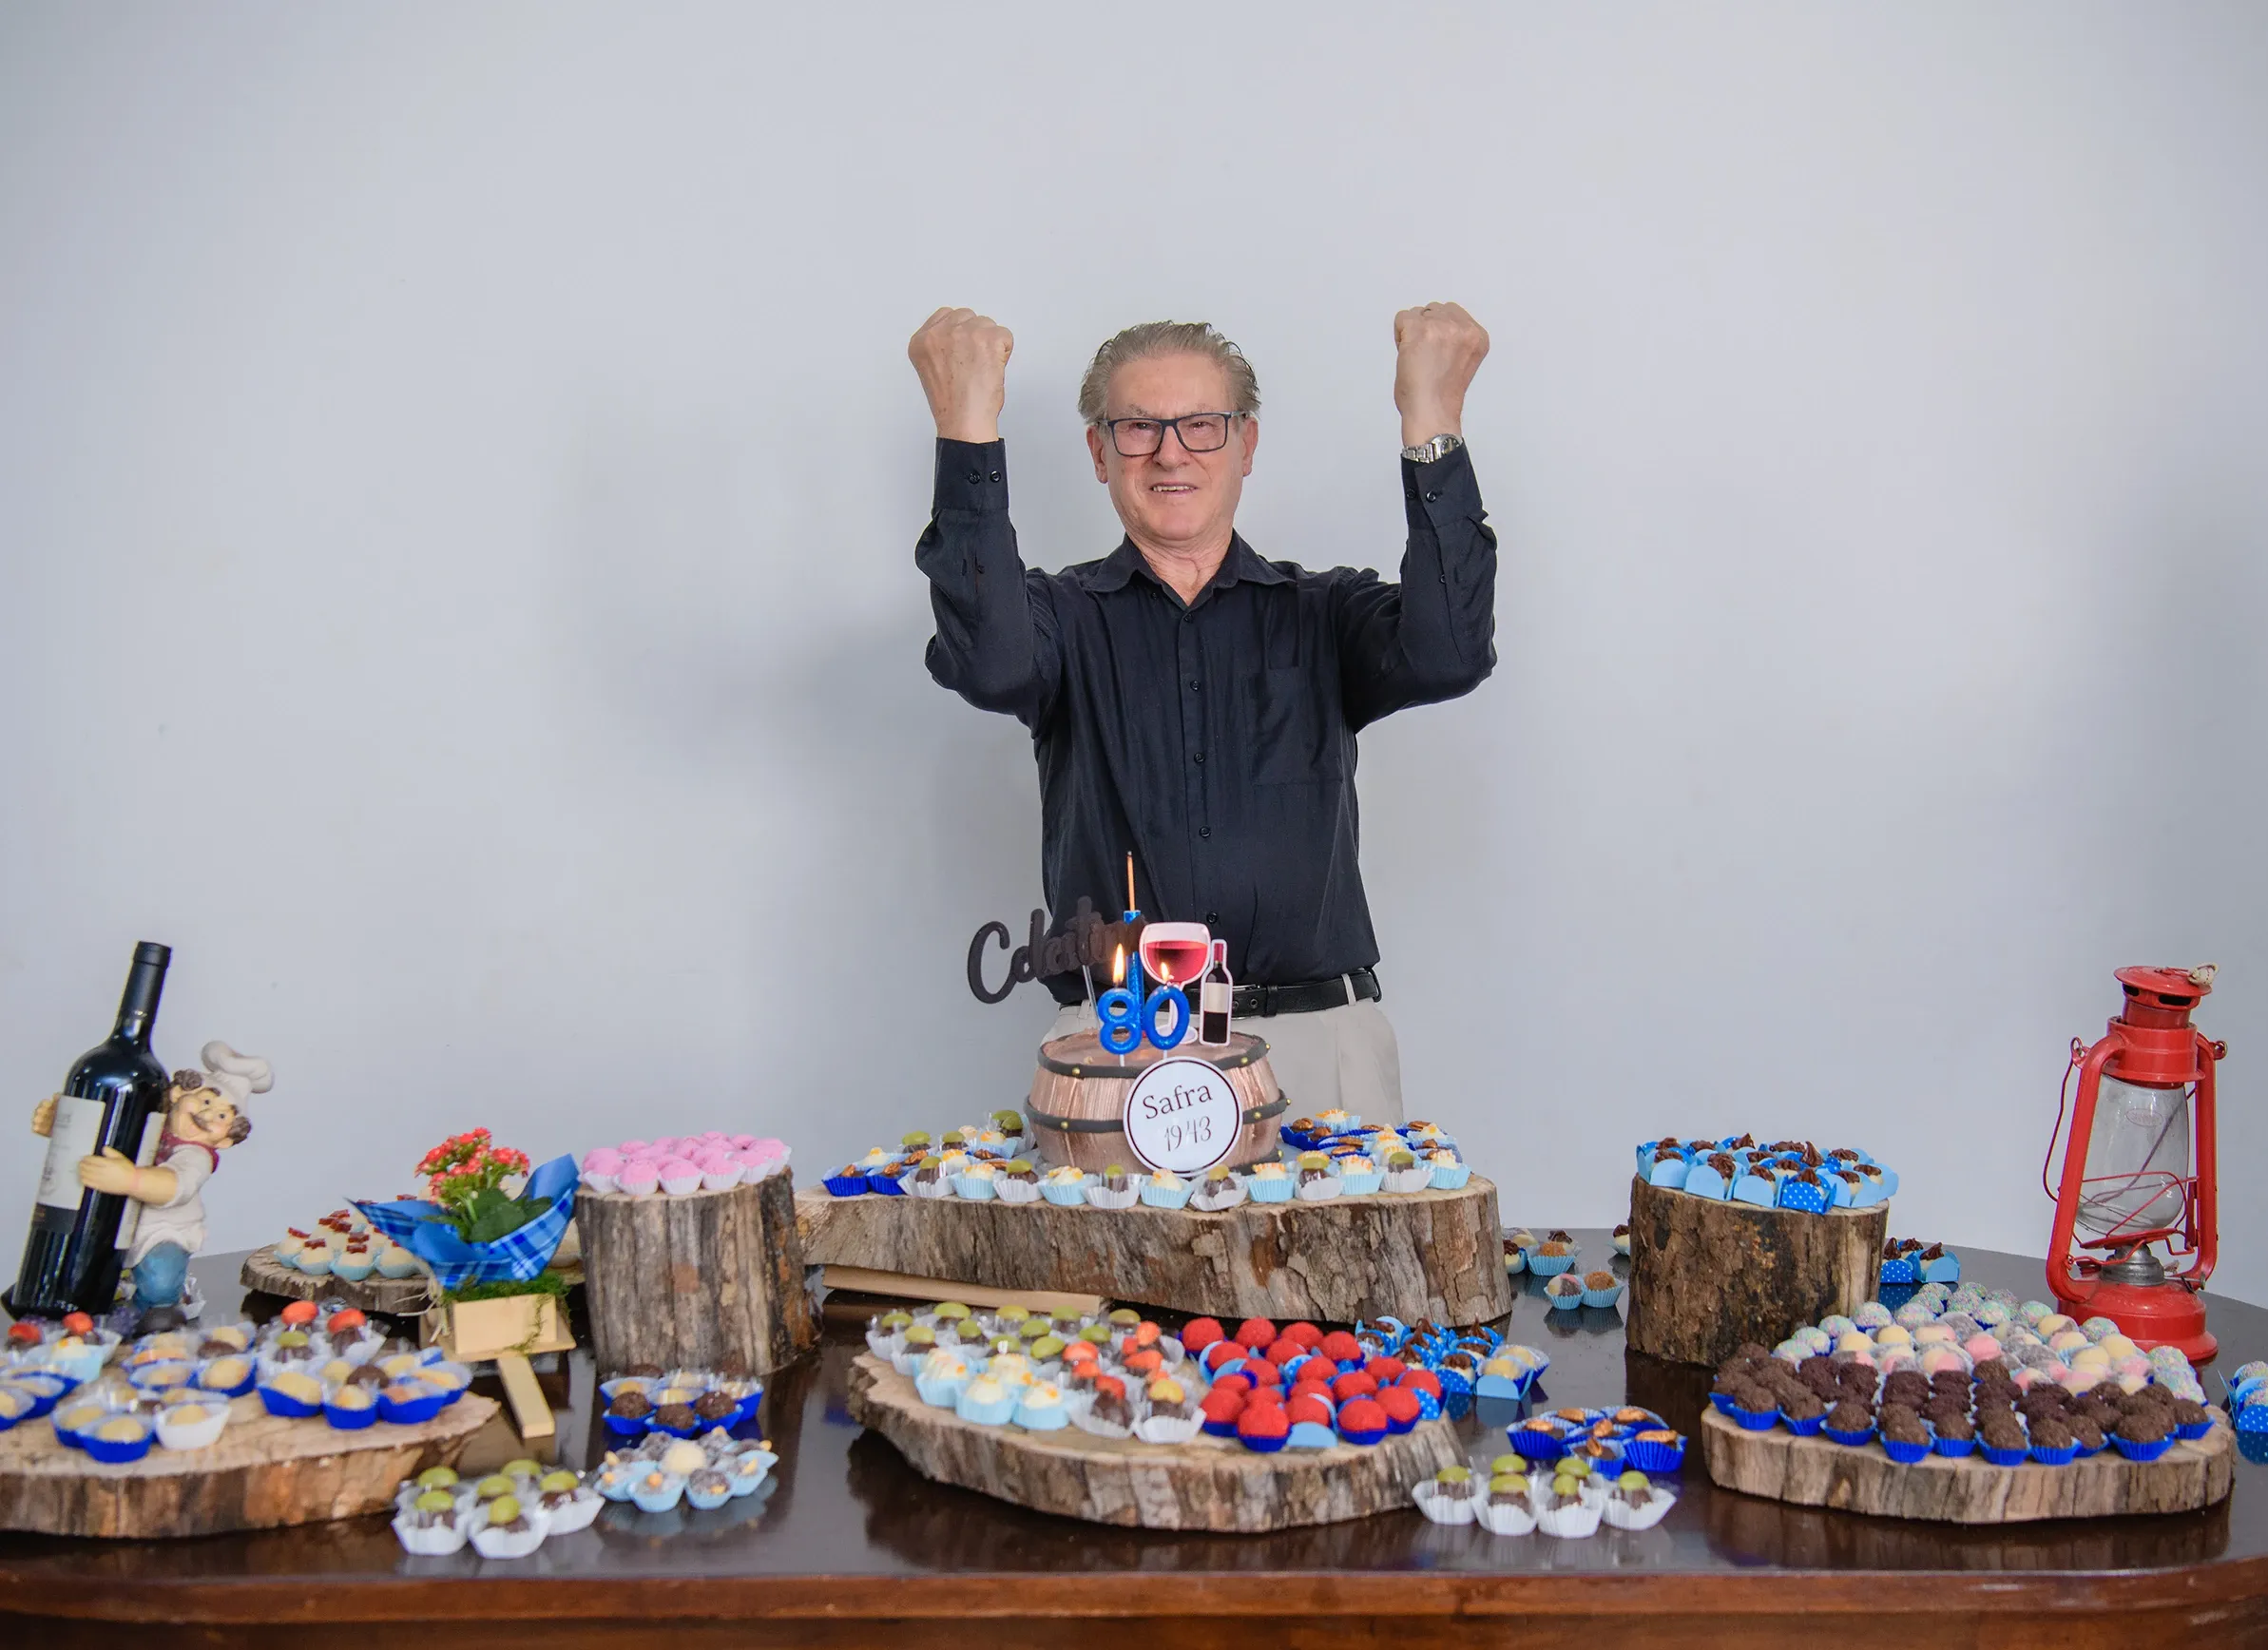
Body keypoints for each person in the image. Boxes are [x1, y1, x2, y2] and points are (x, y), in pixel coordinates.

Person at [911, 305, 1495, 1125]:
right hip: (1120, 1046)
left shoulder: (1325, 611)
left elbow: (1451, 652)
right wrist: (966, 430)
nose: (1171, 452)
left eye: (1202, 425)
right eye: (1139, 427)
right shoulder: (1060, 619)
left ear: (1246, 445)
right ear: (1099, 453)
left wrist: (1431, 423)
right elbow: (989, 660)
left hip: (1322, 1052)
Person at [30, 1040, 269, 1329]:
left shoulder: (196, 1156)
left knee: (159, 1277)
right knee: (73, 1262)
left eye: (222, 1116)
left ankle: (154, 1314)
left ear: (225, 1140)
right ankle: (55, 1302)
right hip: (112, 1220)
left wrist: (130, 1179)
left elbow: (175, 1185)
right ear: (179, 1094)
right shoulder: (149, 1124)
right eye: (205, 1101)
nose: (207, 1115)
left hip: (161, 1229)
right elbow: (102, 1142)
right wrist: (61, 1127)